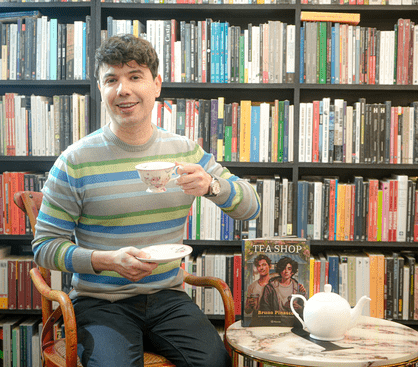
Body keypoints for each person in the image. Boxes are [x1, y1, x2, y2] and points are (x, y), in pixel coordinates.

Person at [31, 34, 261, 367]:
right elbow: (45, 248)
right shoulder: (75, 160)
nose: (122, 89)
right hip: (100, 302)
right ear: (101, 90)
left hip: (169, 298)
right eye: (111, 79)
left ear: (157, 85)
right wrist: (108, 260)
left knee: (215, 362)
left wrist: (212, 185)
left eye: (134, 76)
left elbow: (250, 206)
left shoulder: (185, 151)